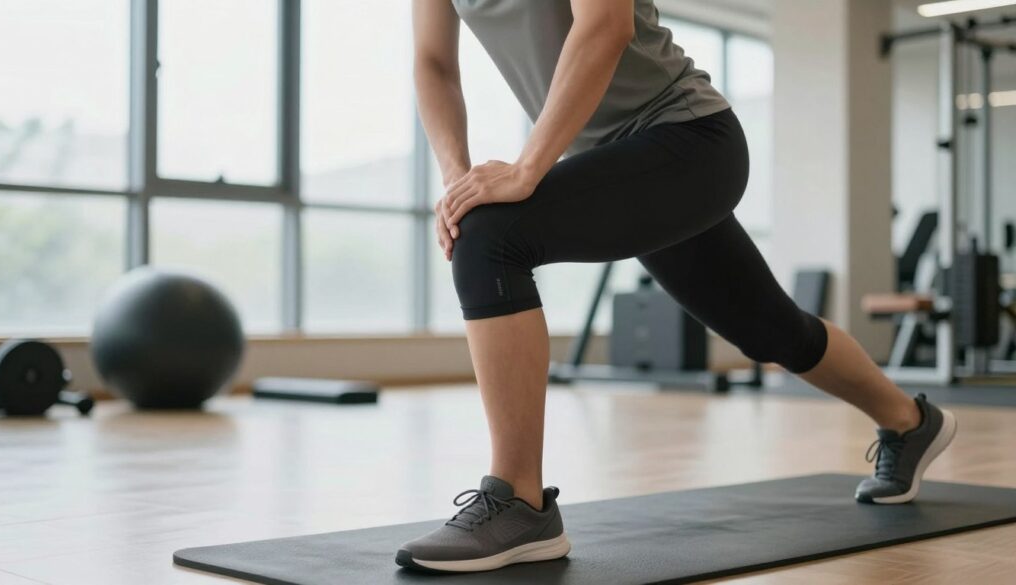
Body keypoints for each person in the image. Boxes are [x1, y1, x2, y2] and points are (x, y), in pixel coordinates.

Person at [397, 0, 957, 573]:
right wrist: (457, 182)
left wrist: (526, 167)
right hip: (619, 160)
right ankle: (911, 423)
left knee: (491, 238)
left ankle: (520, 502)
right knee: (770, 330)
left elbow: (605, 25)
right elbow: (433, 61)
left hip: (688, 139)